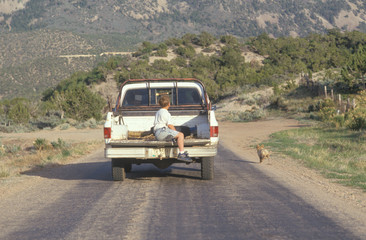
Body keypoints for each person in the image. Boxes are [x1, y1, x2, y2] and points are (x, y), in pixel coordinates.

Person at [153, 95, 192, 162]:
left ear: (159, 104)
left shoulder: (158, 112)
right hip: (162, 131)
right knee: (180, 135)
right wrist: (175, 133)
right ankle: (181, 154)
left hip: (157, 133)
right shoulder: (167, 113)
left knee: (171, 135)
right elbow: (170, 125)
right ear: (169, 104)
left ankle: (173, 139)